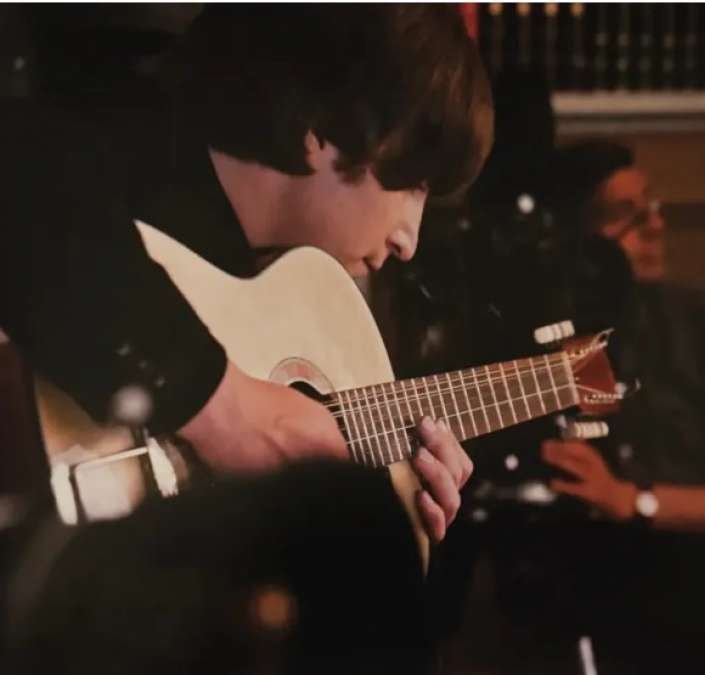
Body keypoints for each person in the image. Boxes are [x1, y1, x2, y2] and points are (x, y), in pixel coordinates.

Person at [0, 6, 492, 673]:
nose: (410, 238)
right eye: (414, 183)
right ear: (323, 130)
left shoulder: (280, 295)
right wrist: (228, 410)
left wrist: (396, 510)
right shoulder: (106, 134)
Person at [473, 140, 705, 675]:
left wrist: (635, 500)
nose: (654, 225)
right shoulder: (547, 338)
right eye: (625, 216)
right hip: (593, 580)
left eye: (653, 206)